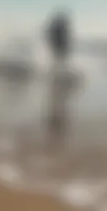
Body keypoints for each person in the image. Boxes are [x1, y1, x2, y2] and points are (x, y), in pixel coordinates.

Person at [44, 10, 76, 148]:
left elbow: (65, 39)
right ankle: (58, 77)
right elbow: (53, 36)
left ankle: (58, 77)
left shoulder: (59, 26)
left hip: (59, 47)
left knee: (59, 62)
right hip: (58, 47)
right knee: (58, 61)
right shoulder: (58, 26)